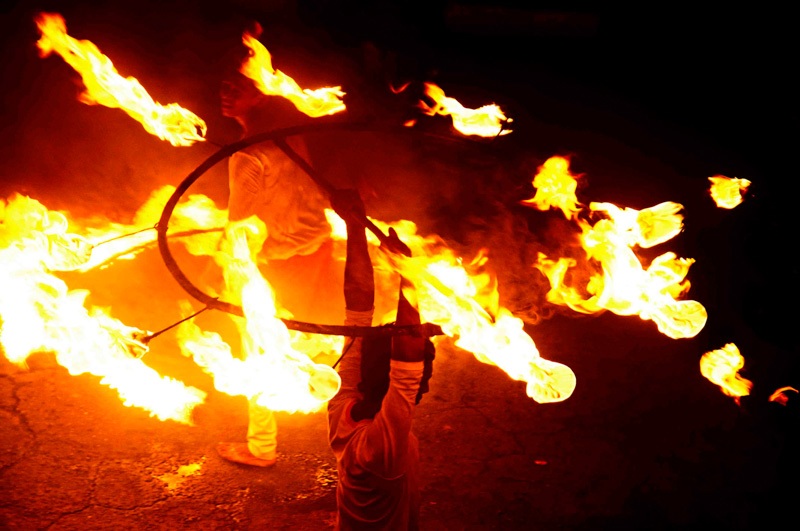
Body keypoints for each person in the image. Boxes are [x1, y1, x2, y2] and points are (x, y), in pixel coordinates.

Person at [214, 57, 344, 468]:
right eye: (225, 83)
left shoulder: (247, 156)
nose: (227, 92)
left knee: (259, 349)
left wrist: (233, 276)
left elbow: (241, 227)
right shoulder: (290, 136)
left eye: (240, 85)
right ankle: (350, 431)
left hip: (279, 265)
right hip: (317, 253)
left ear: (262, 90)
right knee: (317, 337)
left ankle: (261, 447)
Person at [327, 188, 435, 529]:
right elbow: (406, 359)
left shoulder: (344, 404)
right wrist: (407, 272)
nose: (425, 384)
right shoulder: (381, 446)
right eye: (424, 374)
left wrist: (355, 226)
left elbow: (358, 307)